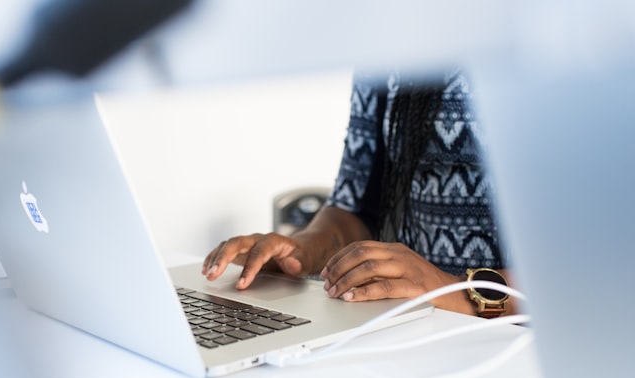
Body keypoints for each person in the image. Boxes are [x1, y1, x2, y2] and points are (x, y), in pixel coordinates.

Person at [202, 69, 516, 317]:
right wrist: (302, 250)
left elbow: (566, 271)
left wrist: (452, 289)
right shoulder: (388, 44)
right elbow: (357, 206)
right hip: (415, 322)